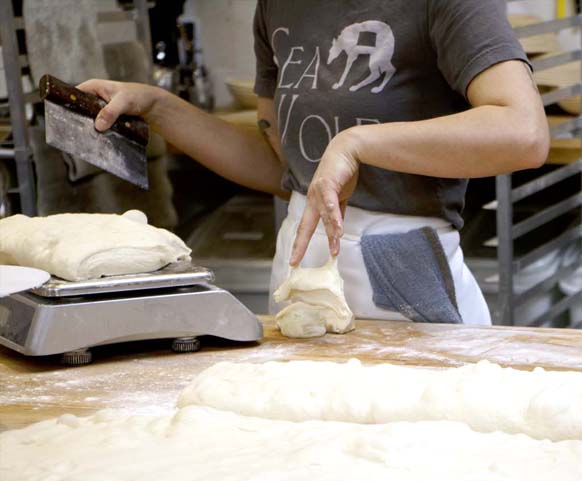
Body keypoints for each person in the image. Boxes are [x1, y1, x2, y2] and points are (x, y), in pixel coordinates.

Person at [80, 0, 549, 325]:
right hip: (302, 272)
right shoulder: (277, 8)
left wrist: (358, 143)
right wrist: (160, 108)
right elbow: (284, 168)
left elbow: (523, 132)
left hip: (403, 272)